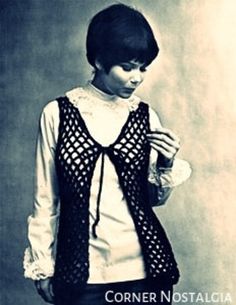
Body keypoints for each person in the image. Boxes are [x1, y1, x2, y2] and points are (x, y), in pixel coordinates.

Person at [23, 3, 191, 305]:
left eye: (142, 68)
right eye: (127, 67)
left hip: (146, 272)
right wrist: (43, 265)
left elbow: (152, 199)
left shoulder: (144, 115)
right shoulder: (57, 114)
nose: (137, 78)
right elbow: (46, 199)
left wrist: (166, 164)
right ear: (99, 60)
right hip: (82, 275)